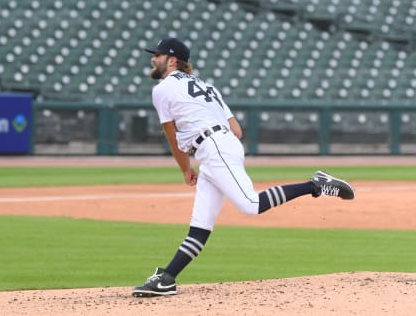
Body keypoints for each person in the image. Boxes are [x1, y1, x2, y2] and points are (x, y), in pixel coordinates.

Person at [132, 37, 355, 297]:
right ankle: (167, 278)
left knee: (251, 205)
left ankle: (315, 185)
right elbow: (236, 129)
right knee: (200, 224)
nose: (153, 58)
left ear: (172, 60)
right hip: (221, 145)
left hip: (213, 148)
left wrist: (185, 168)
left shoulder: (163, 89)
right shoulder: (206, 86)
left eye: (157, 55)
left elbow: (171, 137)